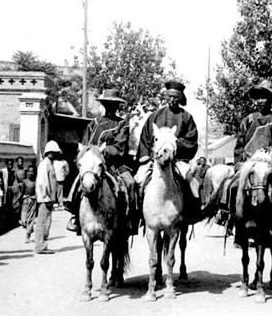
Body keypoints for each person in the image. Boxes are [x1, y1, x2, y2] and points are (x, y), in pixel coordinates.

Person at [219, 81, 272, 244]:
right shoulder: (247, 120)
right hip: (248, 163)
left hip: (270, 164)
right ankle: (228, 215)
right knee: (231, 186)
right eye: (258, 97)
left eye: (264, 97)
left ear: (270, 100)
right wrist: (239, 163)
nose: (260, 101)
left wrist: (271, 151)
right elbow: (239, 146)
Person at [65, 89, 137, 233]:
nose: (111, 107)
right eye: (108, 104)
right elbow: (86, 143)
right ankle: (75, 216)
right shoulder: (94, 123)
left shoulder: (123, 124)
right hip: (93, 161)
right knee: (77, 183)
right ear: (104, 104)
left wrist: (105, 151)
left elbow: (120, 146)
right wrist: (87, 153)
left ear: (118, 106)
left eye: (114, 105)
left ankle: (130, 220)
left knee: (130, 183)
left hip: (114, 163)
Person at [136, 80, 201, 222]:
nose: (172, 100)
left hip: (177, 160)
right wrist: (147, 155)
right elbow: (146, 138)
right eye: (169, 96)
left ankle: (191, 213)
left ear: (180, 98)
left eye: (175, 97)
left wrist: (175, 147)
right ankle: (138, 214)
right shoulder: (155, 116)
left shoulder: (186, 117)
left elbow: (191, 139)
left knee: (192, 183)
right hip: (155, 160)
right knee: (138, 180)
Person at [35, 141, 60, 254]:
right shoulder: (44, 164)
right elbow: (42, 183)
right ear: (49, 153)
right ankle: (40, 246)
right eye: (54, 153)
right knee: (42, 223)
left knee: (47, 222)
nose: (56, 155)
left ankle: (43, 245)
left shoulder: (49, 163)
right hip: (45, 199)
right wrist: (46, 198)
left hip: (48, 199)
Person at [21, 164, 38, 243]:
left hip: (33, 200)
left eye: (33, 172)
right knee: (24, 219)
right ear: (27, 172)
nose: (31, 173)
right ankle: (27, 226)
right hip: (25, 200)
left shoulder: (36, 181)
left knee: (31, 217)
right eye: (29, 171)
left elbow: (38, 191)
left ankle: (28, 234)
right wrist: (20, 199)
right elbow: (22, 192)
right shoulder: (24, 181)